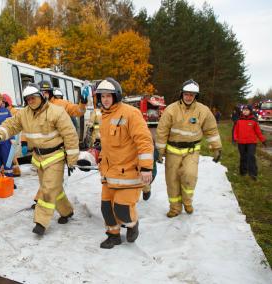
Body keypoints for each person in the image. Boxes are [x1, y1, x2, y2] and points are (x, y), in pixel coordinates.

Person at [0, 83, 79, 236]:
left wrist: (72, 159)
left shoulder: (56, 112)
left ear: (41, 96)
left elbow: (70, 134)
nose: (31, 101)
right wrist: (0, 133)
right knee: (54, 189)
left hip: (55, 157)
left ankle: (41, 222)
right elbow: (11, 125)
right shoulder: (23, 114)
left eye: (33, 97)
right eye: (28, 99)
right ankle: (66, 212)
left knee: (47, 190)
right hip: (38, 158)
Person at [95, 78, 154, 249]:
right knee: (106, 208)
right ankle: (113, 236)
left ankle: (132, 223)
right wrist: (99, 158)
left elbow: (144, 141)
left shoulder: (130, 113)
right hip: (109, 171)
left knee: (122, 208)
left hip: (129, 171)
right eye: (102, 96)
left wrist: (146, 167)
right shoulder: (103, 116)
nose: (105, 99)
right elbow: (107, 144)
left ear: (117, 96)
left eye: (109, 96)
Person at [156, 79, 222, 218]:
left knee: (190, 177)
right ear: (182, 94)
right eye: (186, 94)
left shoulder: (203, 111)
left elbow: (211, 129)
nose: (188, 97)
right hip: (173, 151)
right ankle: (175, 208)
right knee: (172, 181)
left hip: (192, 151)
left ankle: (187, 202)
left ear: (195, 96)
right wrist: (159, 152)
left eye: (192, 94)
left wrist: (216, 148)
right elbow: (162, 131)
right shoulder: (171, 109)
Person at [234, 105, 266, 180]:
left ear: (250, 111)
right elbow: (235, 131)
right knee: (243, 157)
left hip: (251, 142)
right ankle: (243, 172)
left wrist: (263, 140)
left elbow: (258, 132)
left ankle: (253, 173)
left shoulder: (253, 120)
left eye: (247, 110)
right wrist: (235, 139)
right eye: (244, 110)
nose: (245, 111)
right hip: (241, 142)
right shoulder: (239, 121)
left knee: (251, 156)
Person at [2, 93, 22, 177]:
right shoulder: (8, 111)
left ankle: (12, 171)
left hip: (14, 135)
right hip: (11, 135)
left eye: (3, 102)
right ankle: (16, 170)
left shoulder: (14, 112)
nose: (1, 104)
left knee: (10, 154)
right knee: (11, 154)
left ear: (7, 103)